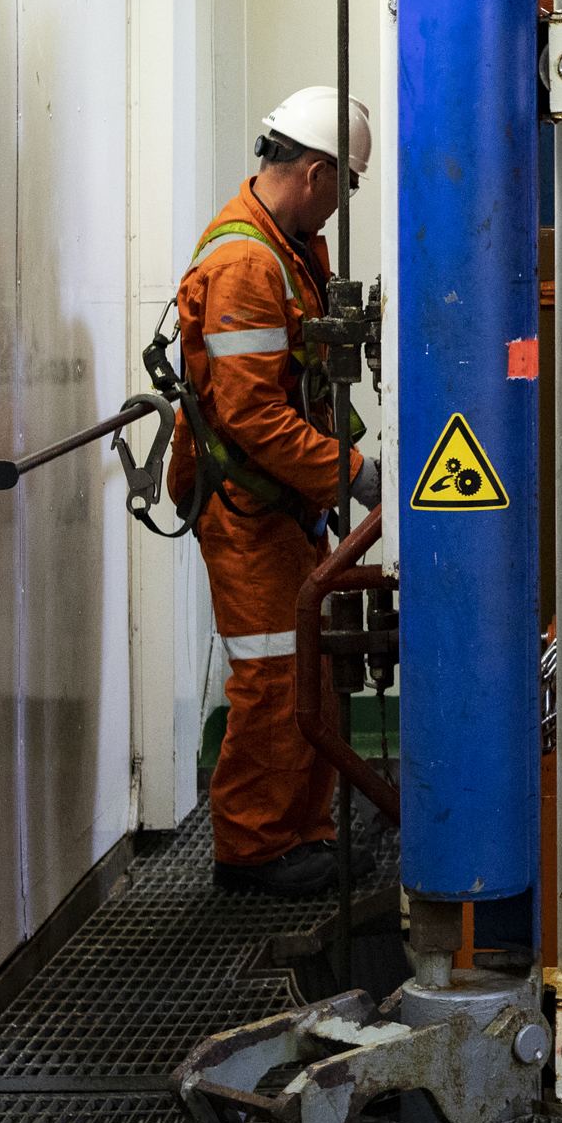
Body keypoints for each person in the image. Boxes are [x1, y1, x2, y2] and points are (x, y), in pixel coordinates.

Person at [168, 86, 382, 898]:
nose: (342, 203)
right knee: (271, 674)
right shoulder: (244, 266)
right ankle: (253, 851)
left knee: (307, 668)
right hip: (247, 504)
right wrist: (349, 473)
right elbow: (250, 415)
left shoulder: (288, 246)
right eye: (346, 186)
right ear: (317, 171)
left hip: (281, 502)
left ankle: (302, 830)